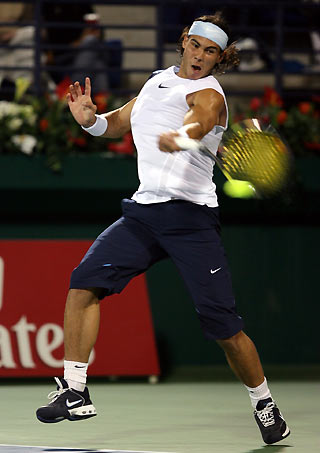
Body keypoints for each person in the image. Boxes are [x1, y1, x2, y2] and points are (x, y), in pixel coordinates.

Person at [36, 12, 290, 445]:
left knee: (224, 327)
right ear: (184, 42)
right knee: (83, 285)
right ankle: (74, 391)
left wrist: (185, 136)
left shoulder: (210, 93)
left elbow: (202, 118)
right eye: (195, 45)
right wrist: (89, 120)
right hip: (142, 214)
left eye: (210, 52)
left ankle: (264, 403)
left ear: (219, 59)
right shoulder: (157, 81)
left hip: (191, 220)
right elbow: (118, 122)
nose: (200, 56)